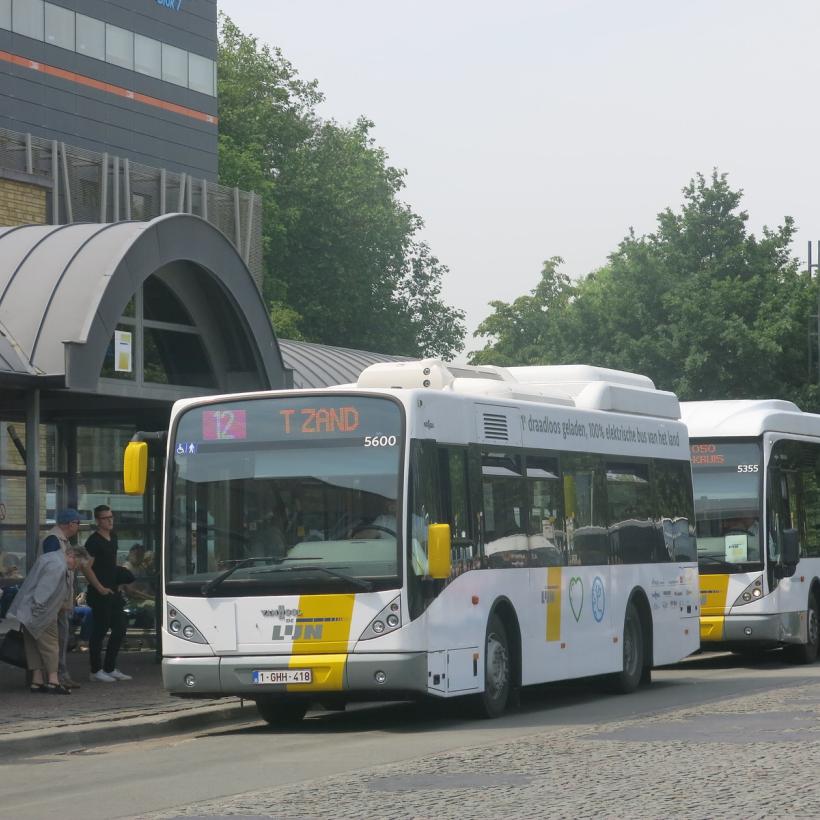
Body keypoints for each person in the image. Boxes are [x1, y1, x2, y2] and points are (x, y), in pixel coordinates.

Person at [7, 545, 90, 694]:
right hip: (42, 613)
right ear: (72, 556)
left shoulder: (50, 558)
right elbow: (42, 594)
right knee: (52, 646)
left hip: (28, 611)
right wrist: (41, 614)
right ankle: (53, 681)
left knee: (33, 646)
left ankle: (37, 681)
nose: (76, 568)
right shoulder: (58, 566)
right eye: (78, 564)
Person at [83, 505, 131, 683]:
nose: (110, 520)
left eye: (111, 517)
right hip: (100, 593)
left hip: (113, 590)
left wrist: (117, 583)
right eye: (105, 518)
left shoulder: (114, 537)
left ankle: (110, 668)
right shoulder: (93, 541)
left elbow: (112, 563)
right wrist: (100, 588)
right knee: (100, 630)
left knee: (120, 628)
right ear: (98, 521)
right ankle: (96, 670)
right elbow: (86, 567)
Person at [41, 508, 83, 689]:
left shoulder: (61, 540)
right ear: (70, 524)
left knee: (61, 636)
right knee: (57, 639)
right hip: (54, 599)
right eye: (77, 523)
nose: (78, 527)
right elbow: (53, 570)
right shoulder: (53, 540)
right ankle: (57, 675)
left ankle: (59, 674)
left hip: (59, 597)